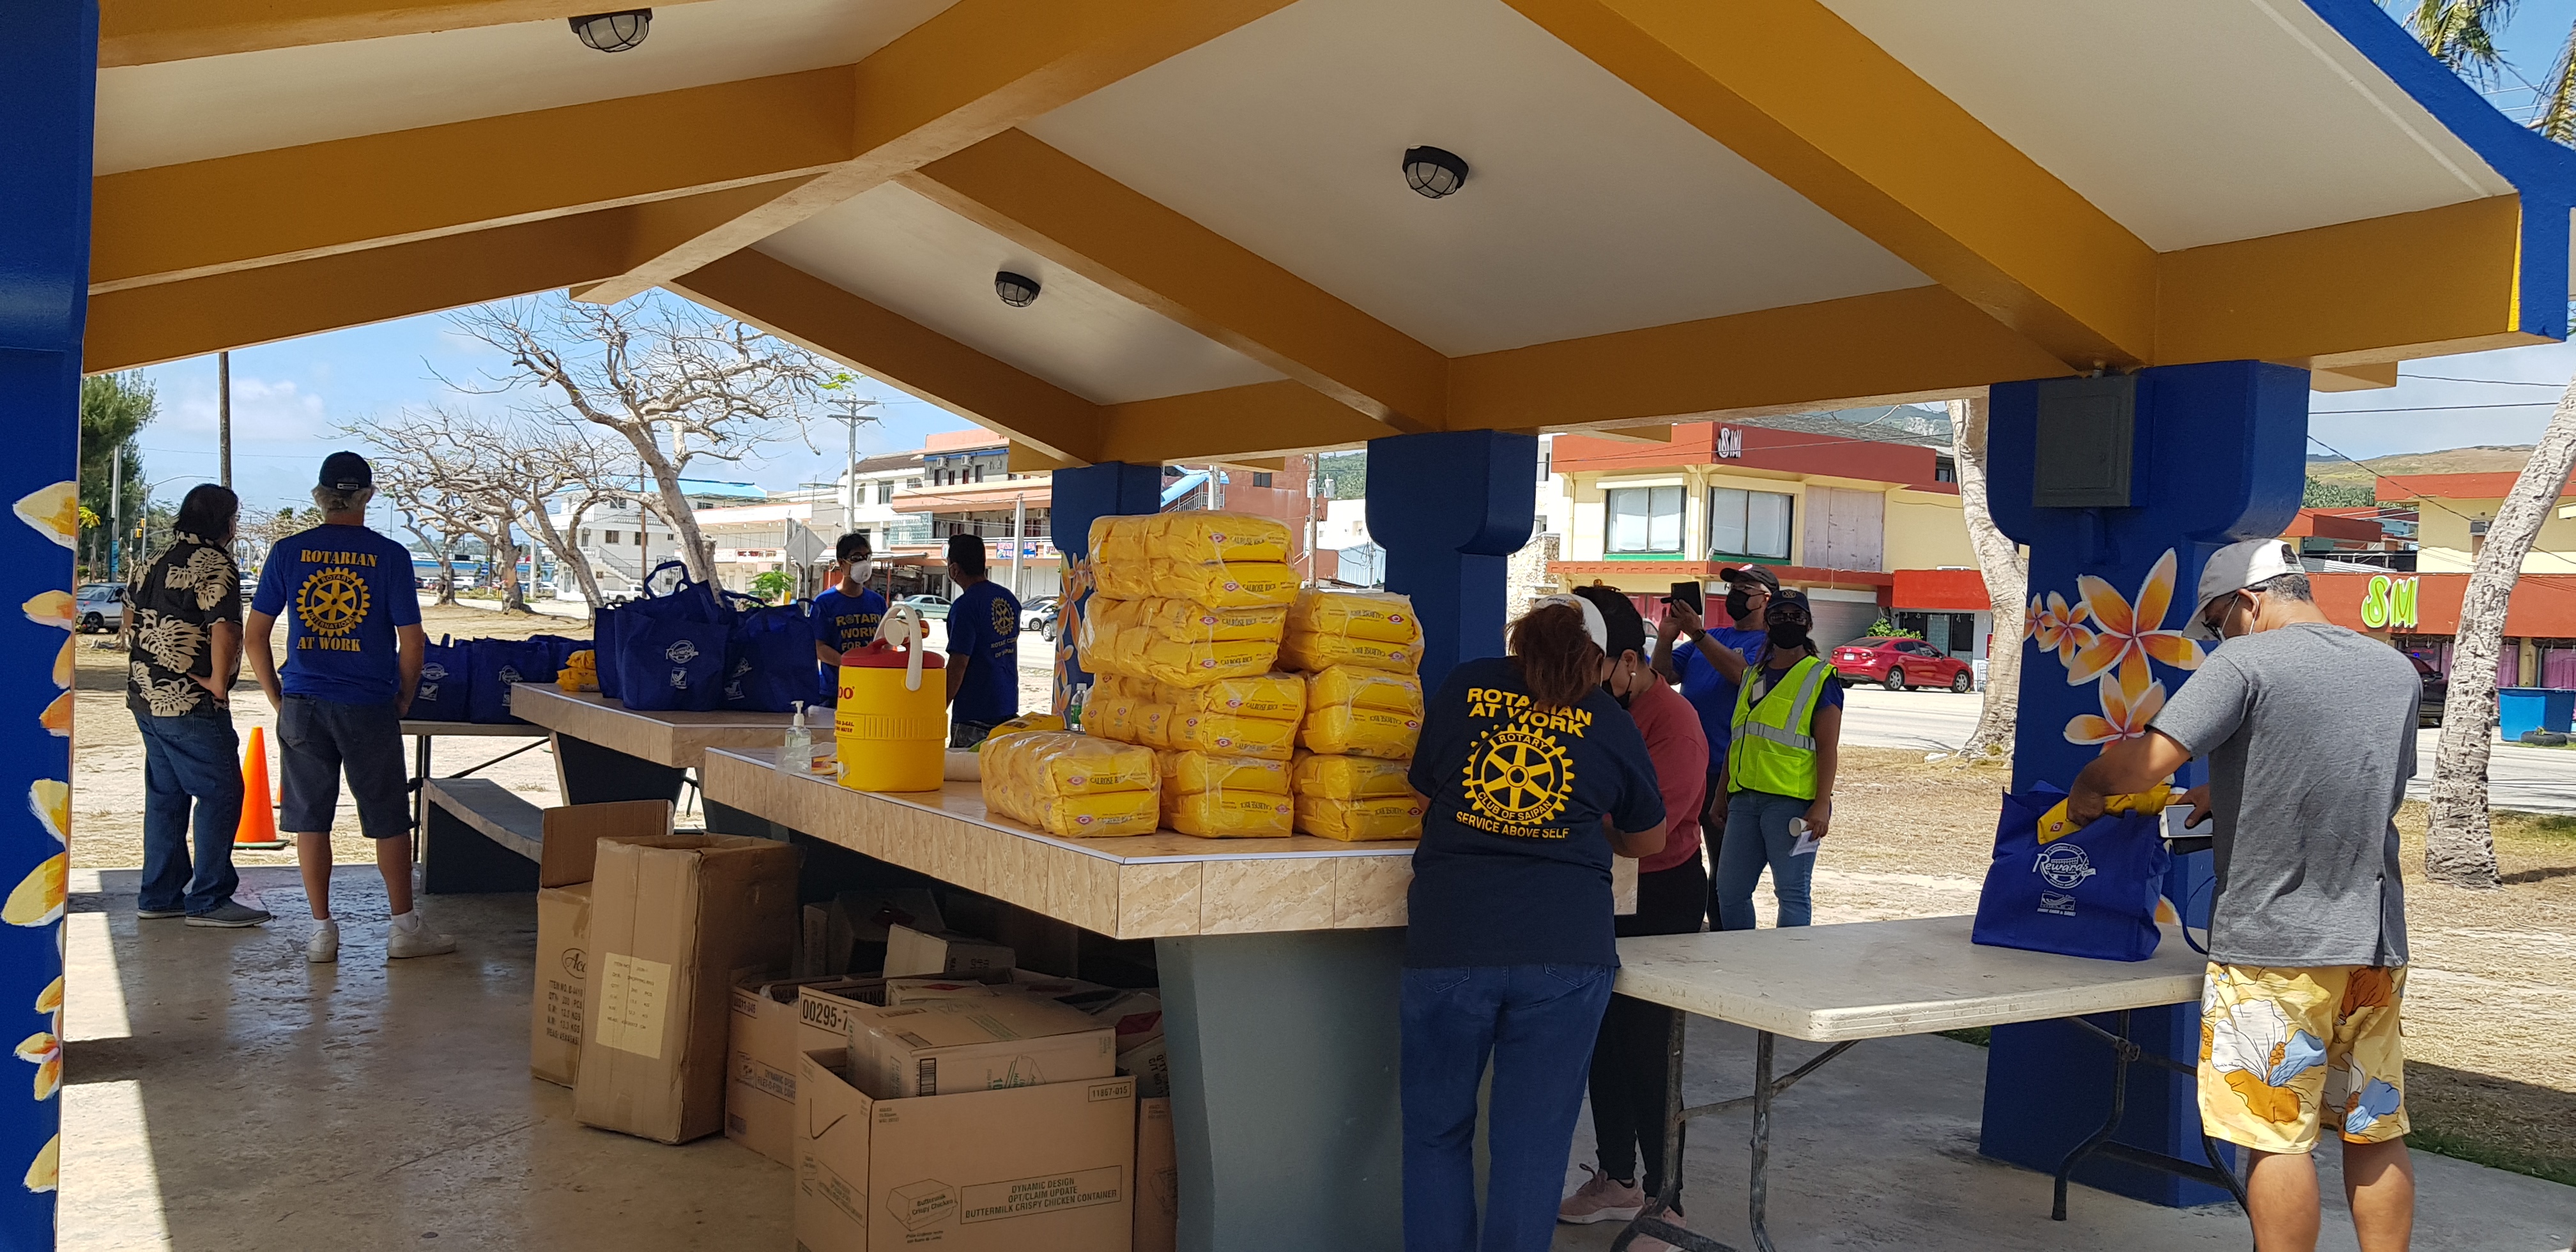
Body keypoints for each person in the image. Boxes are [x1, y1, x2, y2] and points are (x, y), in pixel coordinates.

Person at [2064, 540, 2417, 1252]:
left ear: (2249, 602)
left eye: (2216, 621)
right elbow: (2361, 786)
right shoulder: (2394, 668)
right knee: (2372, 1125)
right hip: (2373, 942)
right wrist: (2226, 795)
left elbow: (2148, 763)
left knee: (2275, 1135)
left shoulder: (2244, 662)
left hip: (2272, 948)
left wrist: (2090, 786)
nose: (2217, 637)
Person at [1402, 596, 1667, 1252]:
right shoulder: (1608, 719)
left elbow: (1424, 788)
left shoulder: (1466, 686)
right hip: (1565, 950)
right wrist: (1592, 827)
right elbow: (1649, 838)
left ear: (1521, 639)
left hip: (1452, 938)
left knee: (1436, 1133)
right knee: (1533, 1146)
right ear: (1598, 658)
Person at [245, 452, 453, 964]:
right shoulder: (390, 556)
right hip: (368, 703)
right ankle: (404, 927)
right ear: (368, 496)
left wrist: (278, 696)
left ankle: (322, 931)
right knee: (387, 817)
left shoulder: (288, 552)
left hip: (303, 703)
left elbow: (255, 635)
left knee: (310, 819)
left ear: (320, 497)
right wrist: (403, 695)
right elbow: (413, 641)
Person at [1559, 588, 1707, 1246]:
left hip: (1663, 894)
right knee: (1604, 1041)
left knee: (1649, 1051)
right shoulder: (1591, 710)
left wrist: (1573, 817)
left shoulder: (1673, 723)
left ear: (1627, 660)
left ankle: (1667, 1198)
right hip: (1602, 892)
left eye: (1592, 670)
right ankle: (1617, 1177)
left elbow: (1650, 832)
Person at [127, 484, 272, 928]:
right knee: (221, 792)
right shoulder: (214, 563)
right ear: (225, 522)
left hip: (145, 695)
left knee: (166, 797)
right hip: (191, 701)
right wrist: (217, 683)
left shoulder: (153, 560)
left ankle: (160, 895)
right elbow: (225, 628)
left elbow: (130, 619)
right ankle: (209, 899)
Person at [1711, 591, 1843, 931]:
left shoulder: (1820, 677)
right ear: (1767, 623)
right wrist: (1721, 795)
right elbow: (1738, 739)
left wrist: (1820, 805)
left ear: (1808, 624)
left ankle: (1789, 961)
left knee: (1792, 893)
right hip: (1744, 801)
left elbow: (1828, 748)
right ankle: (1742, 957)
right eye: (1779, 616)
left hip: (1792, 804)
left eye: (1796, 616)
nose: (1787, 622)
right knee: (1730, 892)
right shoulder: (1752, 676)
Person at [1653, 567, 1774, 898]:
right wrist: (1665, 639)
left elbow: (1744, 676)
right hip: (1688, 767)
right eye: (1733, 588)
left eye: (1745, 588)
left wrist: (1698, 634)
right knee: (1677, 853)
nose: (1735, 594)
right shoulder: (1713, 636)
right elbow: (1661, 677)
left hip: (1728, 771)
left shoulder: (1769, 645)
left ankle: (1723, 924)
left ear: (1765, 599)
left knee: (1725, 867)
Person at [940, 533, 1020, 748]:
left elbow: (958, 665)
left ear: (954, 569)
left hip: (974, 715)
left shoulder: (965, 607)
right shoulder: (1008, 598)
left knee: (967, 769)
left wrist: (938, 708)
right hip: (1007, 706)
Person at [811, 532, 889, 701]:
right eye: (856, 558)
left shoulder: (878, 602)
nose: (864, 563)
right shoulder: (824, 603)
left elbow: (887, 642)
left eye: (867, 557)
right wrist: (849, 663)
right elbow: (819, 648)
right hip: (836, 692)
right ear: (842, 563)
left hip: (871, 688)